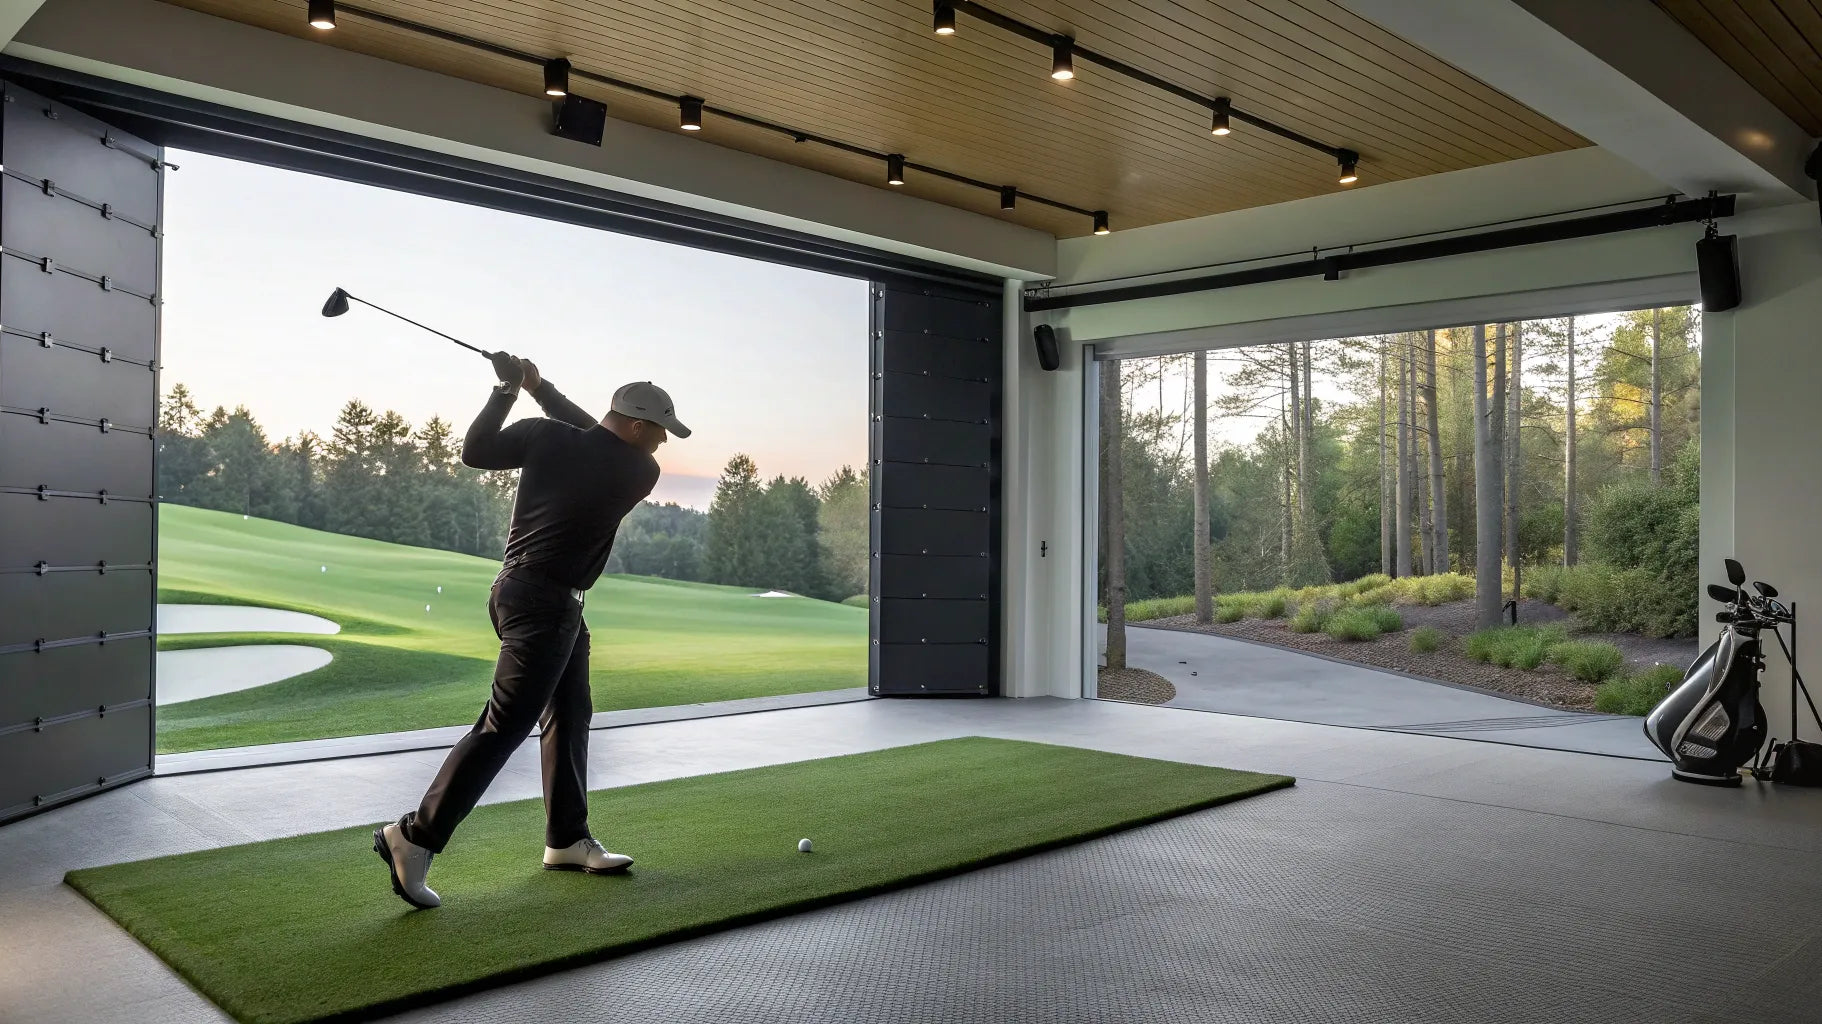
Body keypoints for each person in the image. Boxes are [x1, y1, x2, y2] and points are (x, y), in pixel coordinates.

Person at [373, 352, 689, 909]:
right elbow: (590, 435)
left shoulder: (552, 439)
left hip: (527, 595)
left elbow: (479, 449)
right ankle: (413, 837)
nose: (663, 442)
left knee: (570, 714)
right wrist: (535, 388)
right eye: (660, 431)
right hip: (543, 604)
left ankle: (566, 839)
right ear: (638, 426)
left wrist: (514, 390)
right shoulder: (640, 469)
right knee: (505, 724)